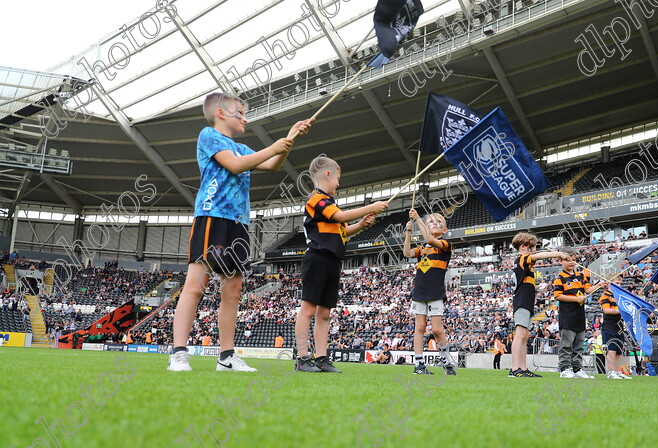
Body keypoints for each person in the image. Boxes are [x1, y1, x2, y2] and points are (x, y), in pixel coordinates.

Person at [168, 92, 311, 372]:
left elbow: (273, 164)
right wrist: (274, 147)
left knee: (233, 290)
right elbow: (235, 165)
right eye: (240, 113)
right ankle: (178, 352)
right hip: (212, 216)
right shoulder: (208, 135)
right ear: (221, 113)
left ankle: (227, 357)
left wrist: (290, 139)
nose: (246, 118)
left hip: (238, 222)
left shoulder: (244, 148)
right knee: (196, 285)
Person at [294, 156, 387, 372]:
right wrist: (369, 207)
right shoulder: (316, 199)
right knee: (308, 309)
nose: (338, 182)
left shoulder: (330, 204)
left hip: (332, 260)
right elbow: (341, 217)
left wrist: (362, 225)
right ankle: (302, 358)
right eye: (338, 178)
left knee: (324, 313)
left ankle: (322, 358)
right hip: (316, 258)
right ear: (327, 174)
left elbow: (343, 230)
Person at [402, 208, 457, 375]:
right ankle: (419, 366)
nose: (434, 224)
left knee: (437, 330)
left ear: (444, 230)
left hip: (435, 292)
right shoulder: (422, 248)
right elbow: (407, 252)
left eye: (438, 222)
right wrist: (408, 234)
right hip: (419, 291)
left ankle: (447, 362)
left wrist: (418, 219)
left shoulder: (445, 245)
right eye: (431, 222)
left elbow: (429, 239)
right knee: (419, 327)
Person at [508, 233, 568, 378]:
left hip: (527, 301)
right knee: (520, 335)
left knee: (525, 335)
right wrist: (558, 253)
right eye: (531, 248)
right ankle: (515, 369)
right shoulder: (522, 258)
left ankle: (522, 368)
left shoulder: (525, 261)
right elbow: (537, 257)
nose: (534, 251)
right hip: (522, 300)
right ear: (523, 247)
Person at [553, 255, 606, 378]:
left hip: (580, 316)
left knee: (579, 345)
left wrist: (598, 285)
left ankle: (577, 369)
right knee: (566, 345)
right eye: (567, 260)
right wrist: (576, 299)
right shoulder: (560, 278)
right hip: (567, 316)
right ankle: (564, 369)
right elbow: (558, 296)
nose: (571, 262)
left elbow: (587, 290)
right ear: (561, 261)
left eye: (573, 260)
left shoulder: (581, 276)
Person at [599, 284, 631, 380]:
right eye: (616, 282)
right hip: (609, 327)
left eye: (620, 283)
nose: (619, 285)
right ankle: (611, 371)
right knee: (611, 350)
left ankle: (617, 371)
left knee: (619, 351)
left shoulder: (619, 296)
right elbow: (607, 310)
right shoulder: (605, 296)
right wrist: (622, 311)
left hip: (619, 327)